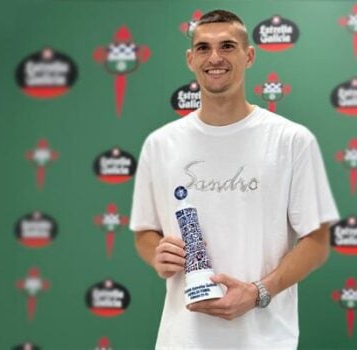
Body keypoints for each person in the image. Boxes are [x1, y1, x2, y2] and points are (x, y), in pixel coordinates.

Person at [130, 9, 339, 350]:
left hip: (266, 340)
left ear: (249, 55)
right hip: (182, 340)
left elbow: (317, 240)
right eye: (203, 48)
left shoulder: (291, 140)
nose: (215, 58)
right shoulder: (160, 144)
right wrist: (157, 253)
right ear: (190, 59)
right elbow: (144, 233)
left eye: (227, 46)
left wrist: (259, 292)